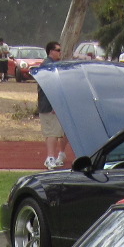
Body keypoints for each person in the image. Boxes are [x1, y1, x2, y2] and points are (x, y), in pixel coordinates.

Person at [36, 41, 70, 169]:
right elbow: (49, 87)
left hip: (55, 105)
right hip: (48, 106)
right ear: (51, 51)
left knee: (61, 131)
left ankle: (59, 154)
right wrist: (54, 104)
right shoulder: (47, 66)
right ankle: (50, 158)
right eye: (58, 50)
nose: (60, 52)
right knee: (52, 133)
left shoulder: (54, 65)